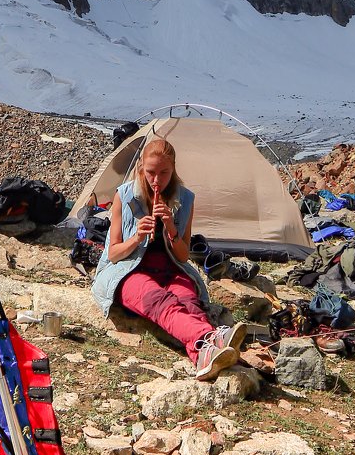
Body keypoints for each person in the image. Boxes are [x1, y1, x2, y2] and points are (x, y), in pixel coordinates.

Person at [91, 137, 246, 379]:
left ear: (173, 169)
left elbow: (183, 256)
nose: (156, 180)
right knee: (160, 301)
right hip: (130, 271)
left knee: (189, 302)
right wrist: (137, 237)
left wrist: (171, 227)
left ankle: (203, 355)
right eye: (151, 172)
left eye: (164, 173)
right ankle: (211, 337)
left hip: (171, 269)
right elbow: (113, 254)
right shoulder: (125, 196)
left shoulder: (185, 199)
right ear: (141, 167)